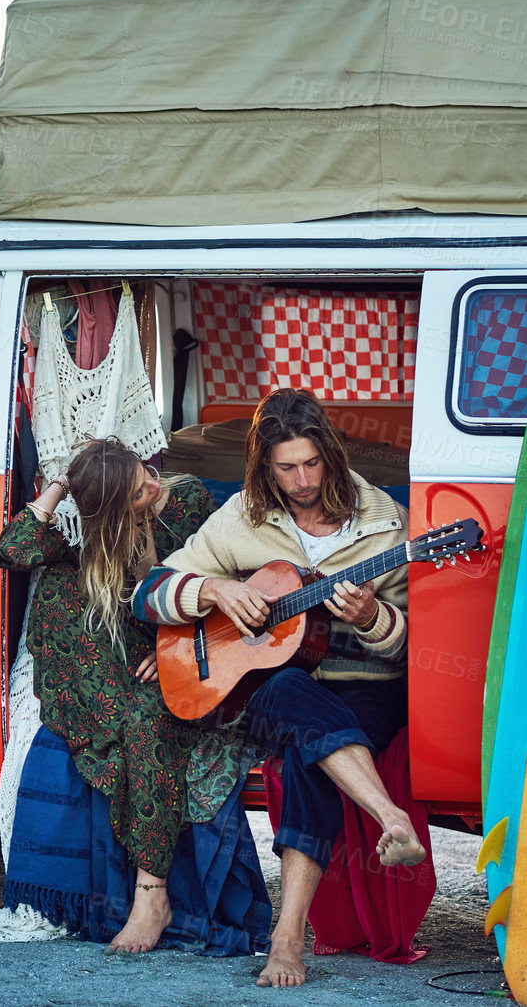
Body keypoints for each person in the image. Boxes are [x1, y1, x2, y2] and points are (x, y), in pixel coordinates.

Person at [132, 388, 428, 988]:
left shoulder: (384, 525)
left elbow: (410, 644)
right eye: (285, 467)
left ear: (332, 456)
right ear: (265, 465)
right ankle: (387, 817)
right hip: (272, 684)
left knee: (300, 757)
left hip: (362, 684)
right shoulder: (242, 516)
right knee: (288, 688)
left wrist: (371, 617)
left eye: (311, 463)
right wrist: (213, 593)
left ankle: (287, 939)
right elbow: (150, 592)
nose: (301, 480)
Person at [0, 437, 254, 953]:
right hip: (112, 660)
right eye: (137, 491)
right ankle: (103, 724)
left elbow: (230, 585)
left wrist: (175, 651)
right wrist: (63, 485)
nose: (153, 486)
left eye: (145, 473)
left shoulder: (187, 504)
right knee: (64, 584)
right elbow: (13, 549)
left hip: (179, 654)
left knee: (143, 724)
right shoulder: (88, 540)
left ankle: (152, 895)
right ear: (111, 511)